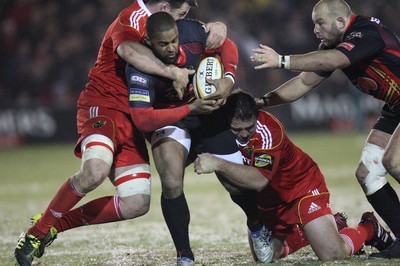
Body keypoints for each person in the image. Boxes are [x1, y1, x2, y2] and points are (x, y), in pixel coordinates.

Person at [13, 1, 229, 265]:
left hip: (133, 117)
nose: (182, 21)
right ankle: (37, 233)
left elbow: (199, 35)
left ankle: (55, 225)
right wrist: (172, 71)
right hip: (103, 106)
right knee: (95, 171)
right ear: (162, 6)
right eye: (181, 14)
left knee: (136, 203)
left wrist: (217, 27)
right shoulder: (132, 17)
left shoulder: (163, 27)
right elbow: (128, 49)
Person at [250, 0, 400, 259]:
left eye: (320, 23)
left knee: (393, 161)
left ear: (341, 22)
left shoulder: (366, 33)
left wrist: (281, 60)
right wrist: (261, 102)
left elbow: (335, 59)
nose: (315, 30)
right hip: (395, 104)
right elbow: (303, 83)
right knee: (368, 174)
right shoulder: (333, 45)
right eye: (314, 24)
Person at [126, 12, 273, 265]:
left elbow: (227, 45)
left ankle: (257, 226)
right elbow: (142, 120)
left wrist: (228, 80)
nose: (171, 48)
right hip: (169, 119)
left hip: (208, 116)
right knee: (171, 181)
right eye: (163, 44)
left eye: (174, 40)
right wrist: (189, 109)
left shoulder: (192, 33)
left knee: (236, 183)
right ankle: (185, 256)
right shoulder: (139, 68)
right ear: (149, 42)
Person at [193, 91, 394, 262]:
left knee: (332, 255)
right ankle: (329, 226)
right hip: (269, 201)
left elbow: (259, 180)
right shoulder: (221, 130)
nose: (244, 134)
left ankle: (368, 228)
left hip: (301, 188)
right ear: (228, 121)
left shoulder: (268, 130)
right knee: (267, 257)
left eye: (249, 127)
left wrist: (217, 163)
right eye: (238, 129)